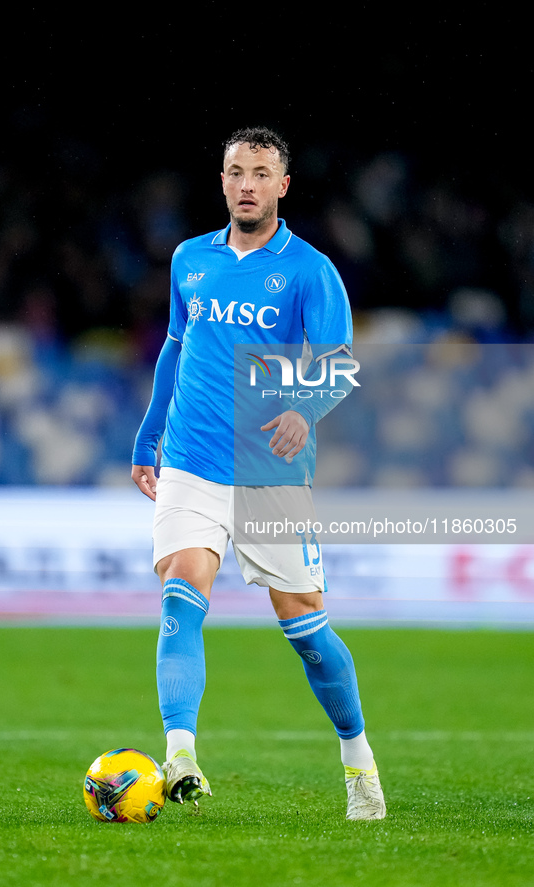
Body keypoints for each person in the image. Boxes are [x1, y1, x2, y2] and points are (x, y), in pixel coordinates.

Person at [131, 126, 386, 820]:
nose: (246, 183)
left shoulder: (308, 270)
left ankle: (357, 760)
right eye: (235, 171)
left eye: (260, 172)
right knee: (181, 594)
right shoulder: (190, 259)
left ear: (282, 185)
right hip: (191, 461)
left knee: (304, 629)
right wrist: (149, 433)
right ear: (222, 182)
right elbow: (174, 349)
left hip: (270, 471)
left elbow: (337, 362)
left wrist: (304, 407)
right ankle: (179, 752)